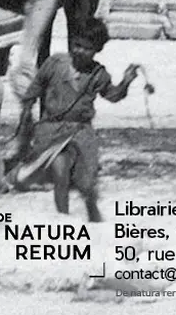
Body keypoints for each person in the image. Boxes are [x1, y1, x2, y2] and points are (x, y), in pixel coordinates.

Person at [15, 18, 142, 221]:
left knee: (87, 182)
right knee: (60, 175)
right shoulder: (55, 63)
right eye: (77, 45)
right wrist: (26, 112)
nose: (80, 51)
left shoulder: (98, 74)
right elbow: (35, 87)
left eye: (87, 48)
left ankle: (92, 211)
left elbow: (113, 95)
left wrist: (126, 81)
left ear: (97, 49)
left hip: (81, 132)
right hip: (51, 130)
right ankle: (63, 219)